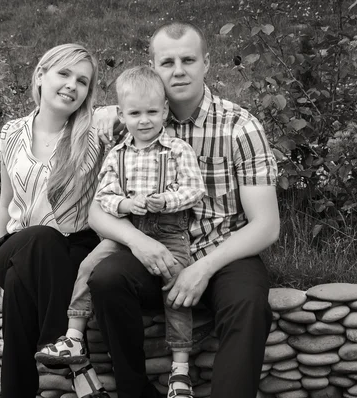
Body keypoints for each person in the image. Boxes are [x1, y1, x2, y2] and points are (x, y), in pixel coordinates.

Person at [89, 22, 280, 398]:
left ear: (206, 63)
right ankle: (135, 391)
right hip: (155, 248)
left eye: (188, 59)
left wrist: (202, 269)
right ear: (153, 66)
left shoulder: (239, 127)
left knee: (249, 304)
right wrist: (138, 243)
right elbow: (98, 211)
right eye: (168, 62)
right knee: (107, 280)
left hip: (223, 251)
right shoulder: (134, 122)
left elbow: (266, 226)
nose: (178, 70)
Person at [35, 66, 205, 398]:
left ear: (165, 112)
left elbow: (194, 190)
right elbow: (105, 197)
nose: (144, 120)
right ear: (123, 116)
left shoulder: (178, 150)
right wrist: (124, 206)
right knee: (88, 266)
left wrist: (165, 200)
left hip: (169, 232)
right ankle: (72, 336)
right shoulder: (117, 155)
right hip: (125, 233)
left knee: (176, 291)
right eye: (135, 113)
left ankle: (180, 370)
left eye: (152, 112)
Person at [0, 43, 109, 398]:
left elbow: (143, 105)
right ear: (40, 75)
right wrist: (0, 261)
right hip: (16, 245)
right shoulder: (11, 132)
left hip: (73, 249)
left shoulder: (94, 134)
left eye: (82, 81)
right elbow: (6, 203)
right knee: (37, 242)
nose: (71, 85)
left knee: (19, 282)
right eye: (63, 73)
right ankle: (66, 350)